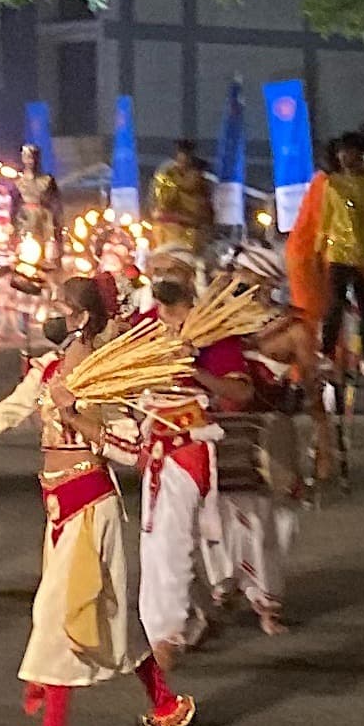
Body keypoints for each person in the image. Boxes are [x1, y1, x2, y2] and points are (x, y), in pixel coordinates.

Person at [0, 275, 198, 726]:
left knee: (59, 617)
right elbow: (2, 417)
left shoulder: (110, 375)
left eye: (66, 306)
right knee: (109, 617)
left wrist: (75, 413)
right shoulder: (50, 367)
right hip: (57, 505)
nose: (56, 312)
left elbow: (133, 452)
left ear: (85, 316)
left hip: (89, 504)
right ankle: (166, 705)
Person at [137, 263, 257, 663]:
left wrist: (198, 370)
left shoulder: (214, 332)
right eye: (158, 271)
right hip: (152, 444)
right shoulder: (143, 325)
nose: (162, 278)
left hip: (188, 446)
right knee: (156, 543)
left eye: (172, 271)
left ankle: (166, 637)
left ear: (190, 285)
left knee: (169, 544)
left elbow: (241, 392)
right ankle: (195, 615)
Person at [217, 246, 318, 633]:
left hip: (273, 429)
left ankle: (267, 601)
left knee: (277, 517)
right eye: (235, 278)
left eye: (245, 281)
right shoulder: (215, 323)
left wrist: (323, 440)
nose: (235, 286)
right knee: (223, 514)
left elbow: (311, 385)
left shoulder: (292, 328)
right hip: (225, 427)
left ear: (264, 285)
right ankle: (224, 586)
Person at [316, 131, 364, 364]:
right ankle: (327, 350)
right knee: (335, 303)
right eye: (342, 152)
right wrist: (319, 249)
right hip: (338, 253)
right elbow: (325, 219)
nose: (345, 157)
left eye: (350, 152)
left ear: (360, 154)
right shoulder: (332, 184)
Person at [151, 141, 213, 254]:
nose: (181, 163)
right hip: (170, 227)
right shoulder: (169, 176)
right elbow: (162, 201)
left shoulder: (200, 187)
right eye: (179, 159)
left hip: (191, 228)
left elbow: (201, 214)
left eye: (185, 159)